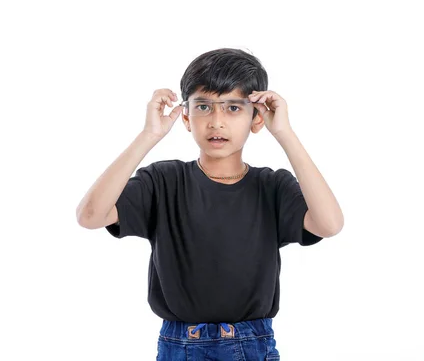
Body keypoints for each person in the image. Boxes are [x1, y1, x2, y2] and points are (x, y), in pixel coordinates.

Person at [75, 48, 344, 360]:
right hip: (179, 345)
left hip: (251, 345)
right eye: (204, 106)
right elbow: (90, 216)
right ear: (186, 117)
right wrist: (149, 135)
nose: (217, 122)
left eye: (233, 108)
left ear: (256, 118)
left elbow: (330, 224)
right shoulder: (164, 181)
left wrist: (284, 133)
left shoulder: (272, 186)